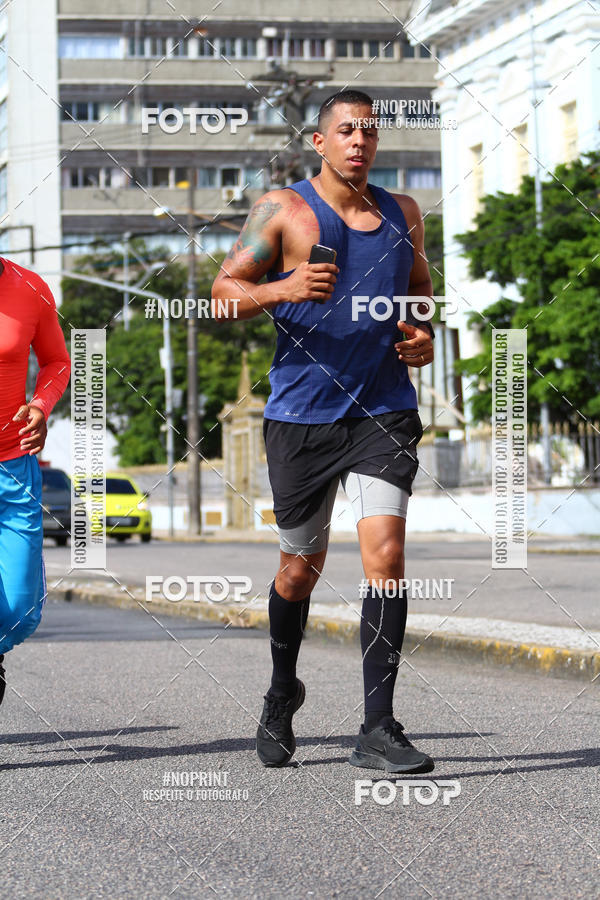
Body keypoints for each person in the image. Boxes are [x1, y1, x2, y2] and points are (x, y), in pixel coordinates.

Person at [211, 89, 435, 773]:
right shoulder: (282, 211)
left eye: (369, 132)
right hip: (300, 417)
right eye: (346, 131)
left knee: (386, 559)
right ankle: (282, 692)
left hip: (382, 410)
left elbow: (420, 293)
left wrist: (422, 336)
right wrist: (280, 290)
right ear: (320, 141)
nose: (359, 142)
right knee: (297, 571)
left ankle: (379, 726)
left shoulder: (403, 214)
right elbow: (222, 297)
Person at [0, 257, 70, 707]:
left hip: (14, 466)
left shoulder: (29, 287)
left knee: (21, 611)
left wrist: (41, 406)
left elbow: (57, 362)